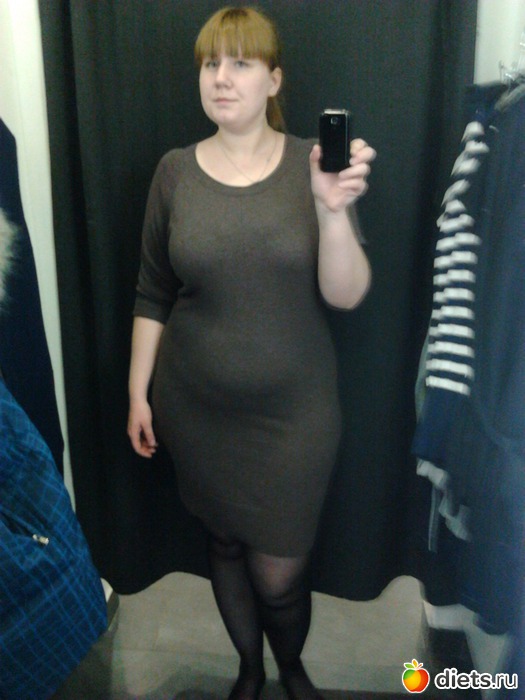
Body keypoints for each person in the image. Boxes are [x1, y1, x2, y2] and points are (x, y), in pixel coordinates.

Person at [128, 6, 375, 699]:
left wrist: (331, 209)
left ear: (274, 80)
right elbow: (152, 291)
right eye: (211, 63)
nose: (222, 78)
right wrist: (137, 393)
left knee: (279, 574)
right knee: (224, 543)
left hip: (293, 420)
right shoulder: (174, 172)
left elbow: (347, 294)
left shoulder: (314, 165)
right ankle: (249, 669)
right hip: (195, 409)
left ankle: (290, 668)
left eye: (240, 63)